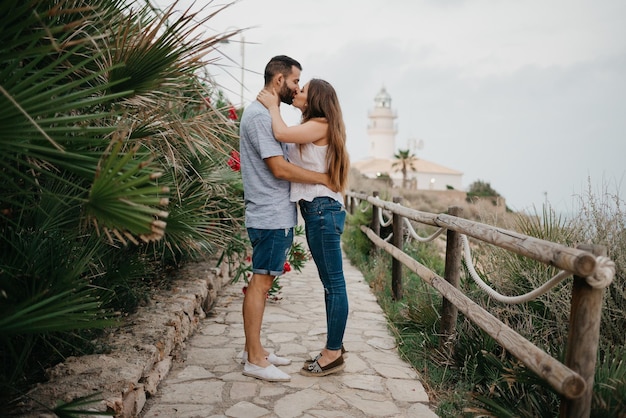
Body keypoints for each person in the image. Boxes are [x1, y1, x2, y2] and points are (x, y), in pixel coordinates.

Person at [239, 56, 334, 382]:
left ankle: (256, 350)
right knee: (261, 283)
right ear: (279, 79)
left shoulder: (266, 115)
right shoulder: (259, 117)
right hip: (269, 214)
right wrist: (320, 178)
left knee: (261, 282)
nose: (296, 89)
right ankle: (253, 359)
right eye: (295, 82)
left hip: (272, 212)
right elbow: (278, 168)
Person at [257, 78, 350, 376]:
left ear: (316, 99)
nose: (297, 91)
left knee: (333, 284)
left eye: (304, 89)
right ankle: (334, 346)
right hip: (320, 211)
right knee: (331, 283)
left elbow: (280, 132)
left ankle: (333, 352)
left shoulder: (320, 124)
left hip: (322, 210)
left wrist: (273, 106)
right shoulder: (317, 126)